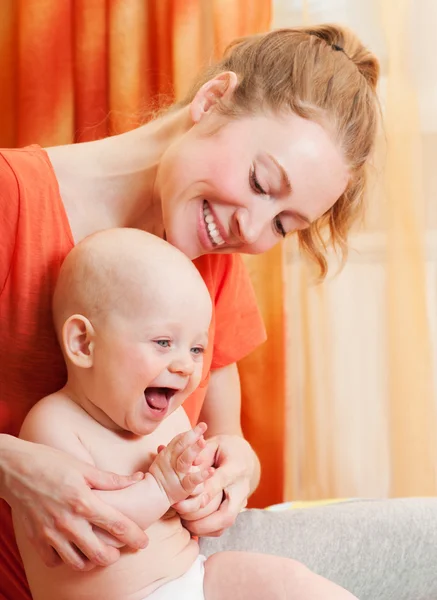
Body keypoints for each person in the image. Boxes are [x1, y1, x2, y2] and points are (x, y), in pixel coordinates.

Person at [1, 22, 436, 600]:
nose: (250, 230)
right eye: (261, 181)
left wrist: (233, 476)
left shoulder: (212, 266)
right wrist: (13, 471)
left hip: (184, 571)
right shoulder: (12, 202)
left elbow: (232, 442)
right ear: (210, 102)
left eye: (284, 225)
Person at [14, 226, 359, 600]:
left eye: (197, 349)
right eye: (163, 342)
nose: (185, 366)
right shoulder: (55, 424)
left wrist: (201, 499)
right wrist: (161, 488)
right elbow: (88, 532)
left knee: (283, 578)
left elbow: (189, 510)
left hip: (191, 579)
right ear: (84, 344)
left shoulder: (171, 421)